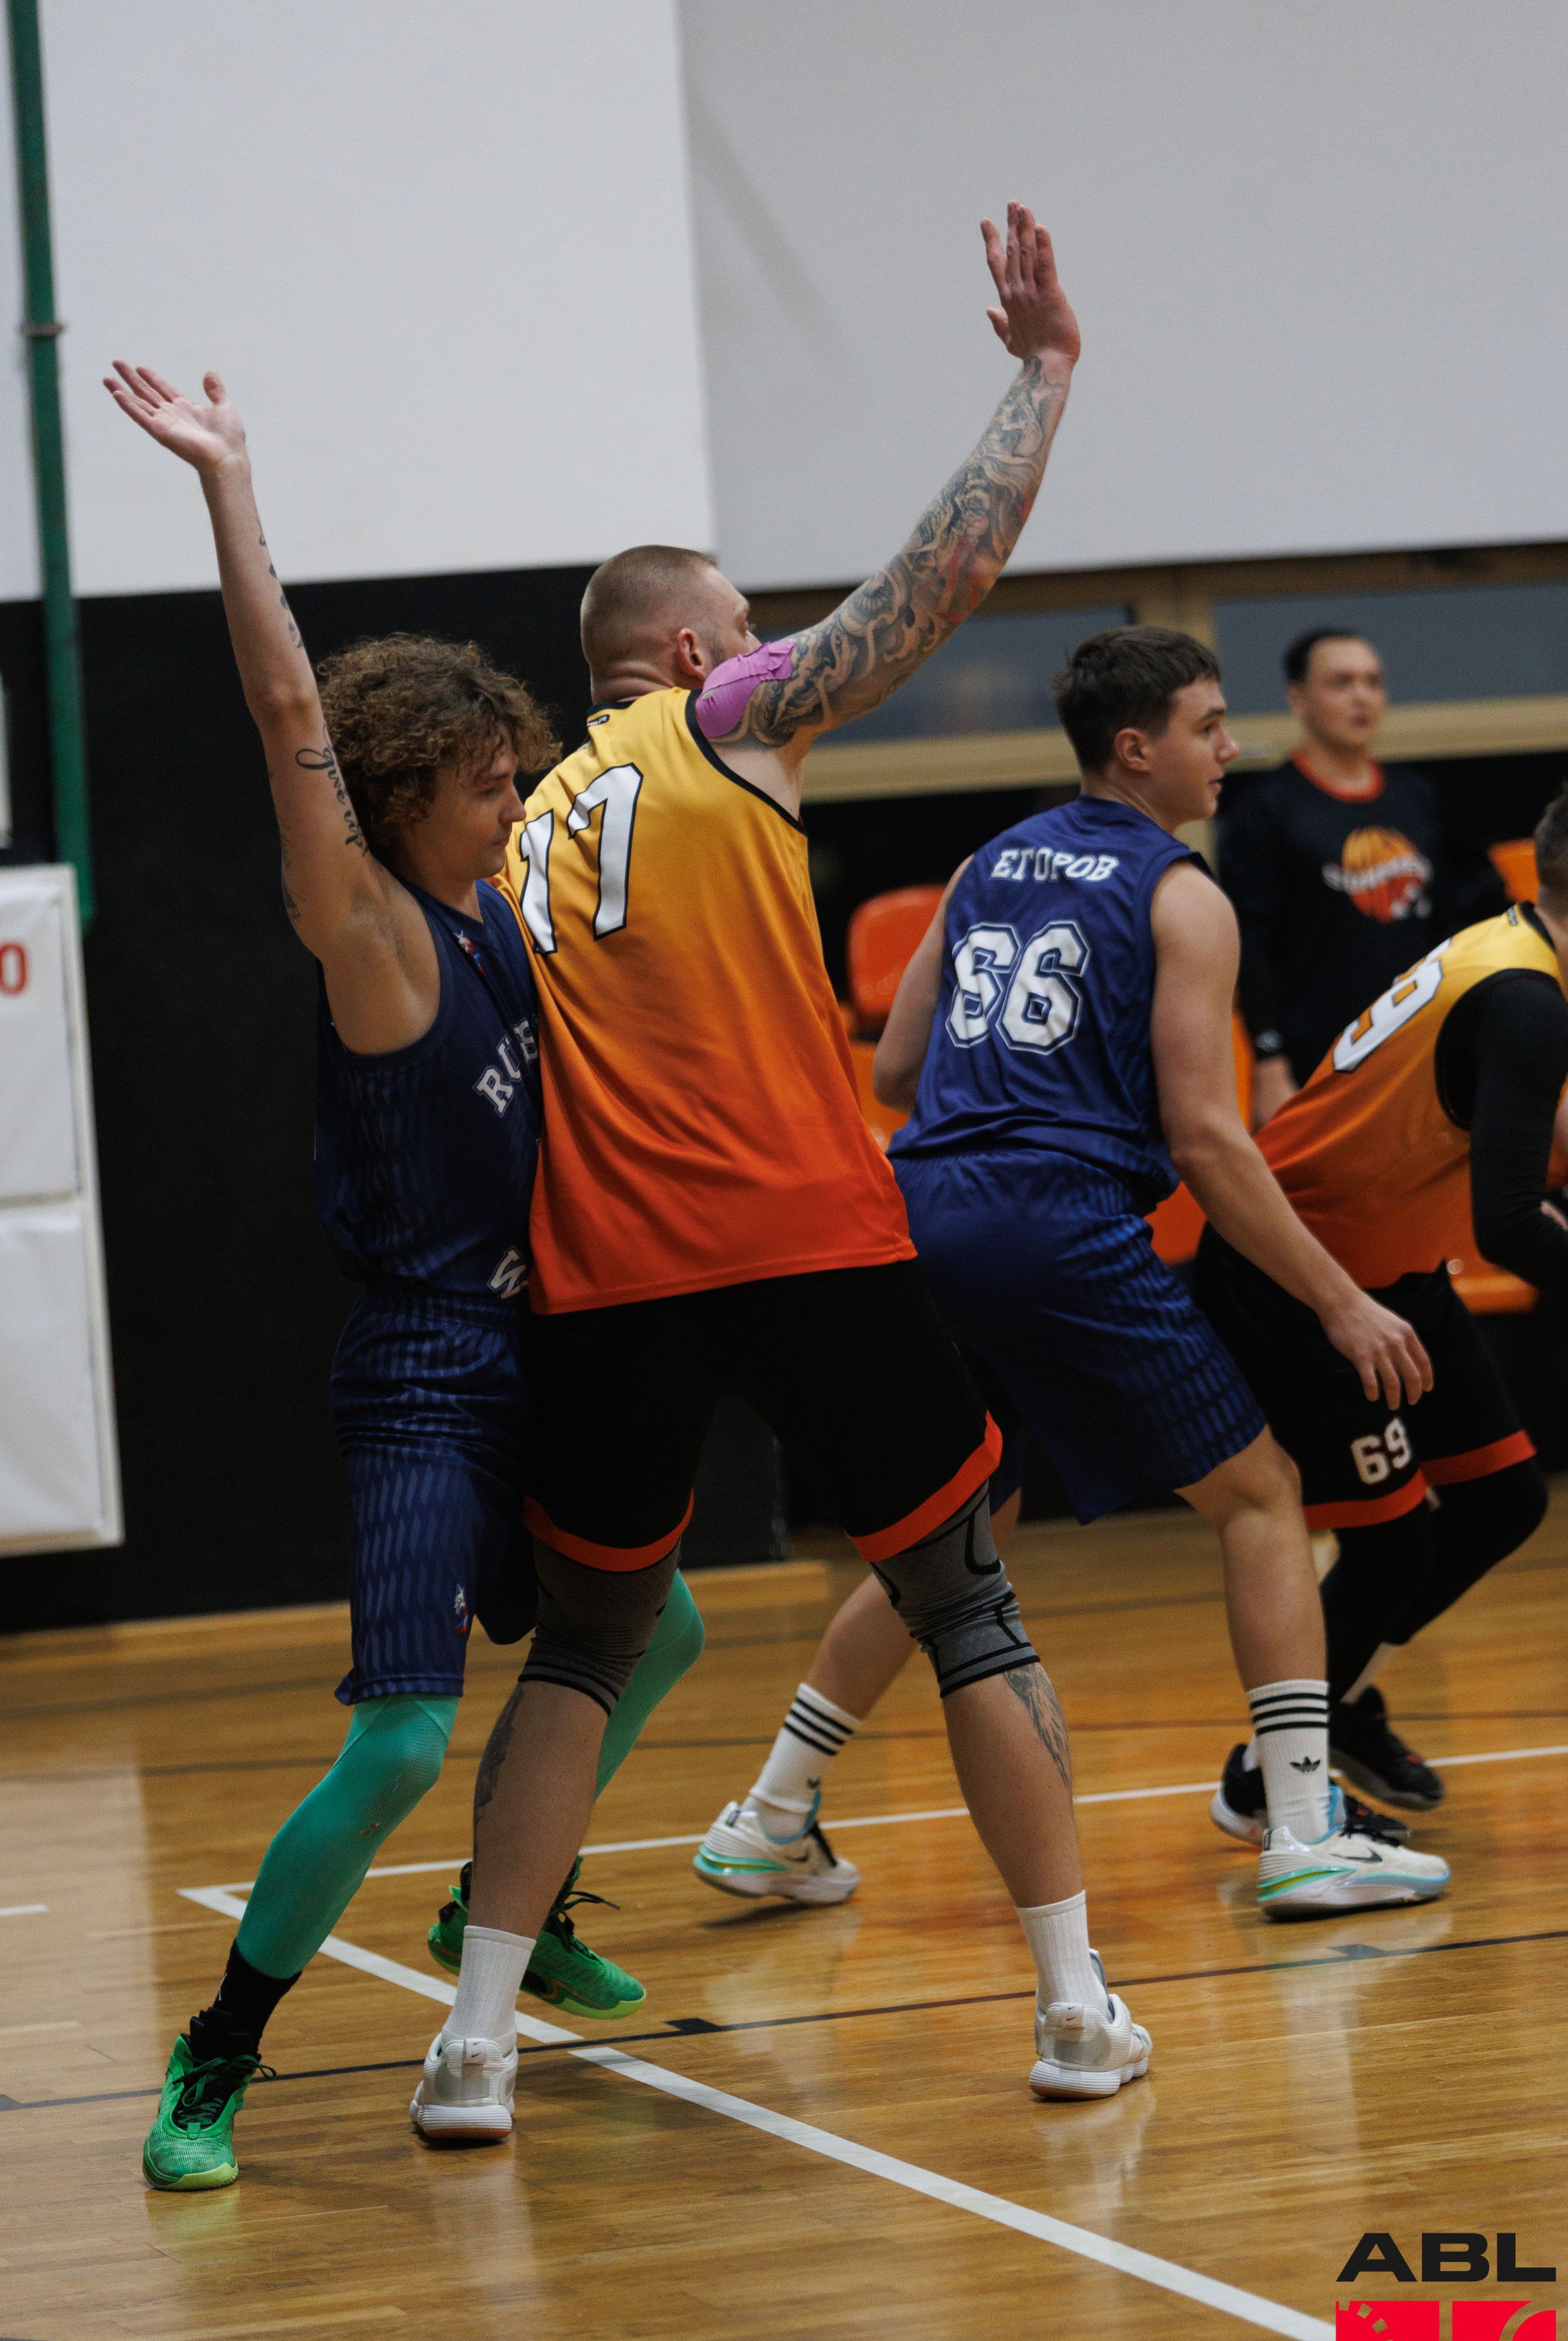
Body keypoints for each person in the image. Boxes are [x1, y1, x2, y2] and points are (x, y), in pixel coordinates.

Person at [412, 202, 1156, 2138]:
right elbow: (938, 578)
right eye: (746, 622)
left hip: (604, 1277)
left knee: (582, 1652)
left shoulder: (510, 831)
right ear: (685, 651)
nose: (767, 646)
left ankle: (472, 2043)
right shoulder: (715, 723)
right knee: (965, 1603)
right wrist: (1044, 372)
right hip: (808, 1242)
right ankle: (1074, 2005)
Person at [105, 361, 707, 2192]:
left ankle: (502, 1901)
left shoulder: (496, 910)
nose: (516, 797)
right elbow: (286, 702)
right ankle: (217, 2055)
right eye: (489, 781)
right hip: (426, 1370)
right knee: (397, 1743)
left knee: (663, 1628)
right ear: (399, 794)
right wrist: (228, 484)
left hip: (544, 1343)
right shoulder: (364, 927)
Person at [700, 626, 1452, 1921]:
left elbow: (897, 1073)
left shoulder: (983, 865)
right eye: (1208, 727)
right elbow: (1205, 1138)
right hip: (1052, 1220)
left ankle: (771, 1813)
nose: (1231, 749)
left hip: (922, 1213)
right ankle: (1302, 1831)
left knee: (960, 1523)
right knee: (1263, 1496)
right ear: (1135, 748)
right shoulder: (1181, 894)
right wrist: (1340, 1300)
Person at [1192, 786, 1568, 1812]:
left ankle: (1338, 1702)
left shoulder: (1513, 946)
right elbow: (1511, 1224)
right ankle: (1266, 1781)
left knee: (1501, 1503)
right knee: (1392, 1547)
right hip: (1301, 1276)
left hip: (1395, 1267)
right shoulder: (1527, 998)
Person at [1218, 627, 1497, 1130]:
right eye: (1341, 683)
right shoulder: (1266, 809)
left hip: (1419, 1048)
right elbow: (1249, 945)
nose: (1361, 697)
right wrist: (1268, 1062)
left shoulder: (1416, 798)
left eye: (1373, 681)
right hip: (1318, 1059)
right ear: (1298, 698)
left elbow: (1451, 927)